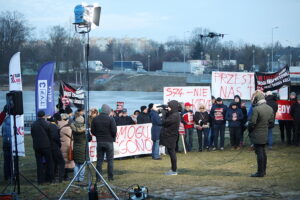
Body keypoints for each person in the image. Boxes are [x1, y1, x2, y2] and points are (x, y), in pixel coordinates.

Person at [248, 90, 274, 177]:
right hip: (265, 133)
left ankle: (260, 172)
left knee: (259, 152)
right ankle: (263, 171)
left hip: (257, 134)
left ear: (257, 99)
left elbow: (252, 123)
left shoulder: (256, 109)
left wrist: (249, 129)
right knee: (263, 152)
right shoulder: (270, 108)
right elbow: (271, 123)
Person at [91, 104, 117, 181]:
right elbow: (114, 131)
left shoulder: (95, 119)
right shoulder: (111, 119)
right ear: (108, 111)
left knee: (99, 160)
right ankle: (110, 177)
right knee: (110, 160)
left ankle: (98, 178)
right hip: (109, 141)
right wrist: (112, 137)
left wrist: (98, 136)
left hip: (99, 141)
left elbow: (93, 131)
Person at [31, 110, 54, 184]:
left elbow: (32, 135)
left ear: (37, 116)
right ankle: (49, 179)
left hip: (37, 146)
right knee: (49, 162)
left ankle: (40, 180)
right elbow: (50, 135)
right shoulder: (47, 124)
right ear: (44, 116)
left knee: (39, 163)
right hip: (46, 145)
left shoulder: (33, 124)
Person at [160, 100, 181, 176]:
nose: (168, 108)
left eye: (169, 107)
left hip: (171, 136)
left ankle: (174, 170)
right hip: (171, 135)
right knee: (171, 152)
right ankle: (173, 169)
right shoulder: (175, 114)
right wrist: (166, 110)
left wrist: (163, 113)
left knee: (172, 153)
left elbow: (164, 122)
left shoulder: (175, 116)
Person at [48, 114, 65, 183]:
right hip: (55, 146)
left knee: (53, 162)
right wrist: (59, 144)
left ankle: (52, 178)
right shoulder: (54, 127)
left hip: (49, 146)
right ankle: (60, 178)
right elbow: (56, 137)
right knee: (61, 162)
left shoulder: (48, 126)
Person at [58, 113, 75, 181]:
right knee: (67, 160)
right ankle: (65, 176)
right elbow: (72, 136)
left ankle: (64, 175)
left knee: (64, 159)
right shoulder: (67, 128)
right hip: (67, 145)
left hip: (62, 144)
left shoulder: (59, 125)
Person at [70, 115, 86, 182]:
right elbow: (89, 138)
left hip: (76, 147)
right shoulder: (84, 131)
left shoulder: (73, 129)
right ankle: (81, 178)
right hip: (82, 148)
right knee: (82, 164)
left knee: (76, 163)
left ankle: (76, 178)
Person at [2, 110, 13, 181]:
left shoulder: (5, 120)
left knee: (6, 160)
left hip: (5, 141)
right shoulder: (10, 120)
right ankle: (10, 175)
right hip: (9, 142)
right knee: (11, 160)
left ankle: (6, 175)